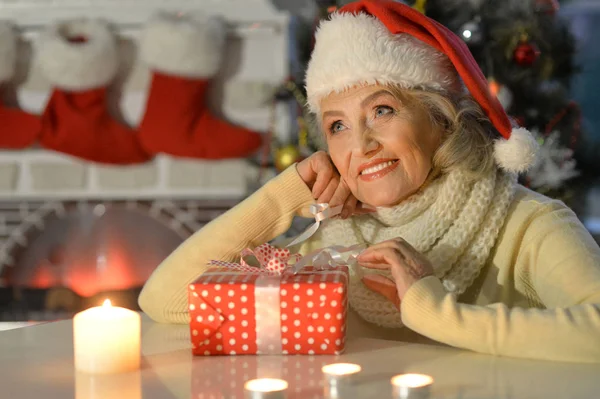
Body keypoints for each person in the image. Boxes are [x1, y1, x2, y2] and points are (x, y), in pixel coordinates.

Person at [139, 0, 600, 363]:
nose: (361, 144)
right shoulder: (333, 241)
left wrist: (437, 313)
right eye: (337, 125)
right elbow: (166, 301)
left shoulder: (527, 224)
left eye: (382, 111)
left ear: (440, 119)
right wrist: (283, 196)